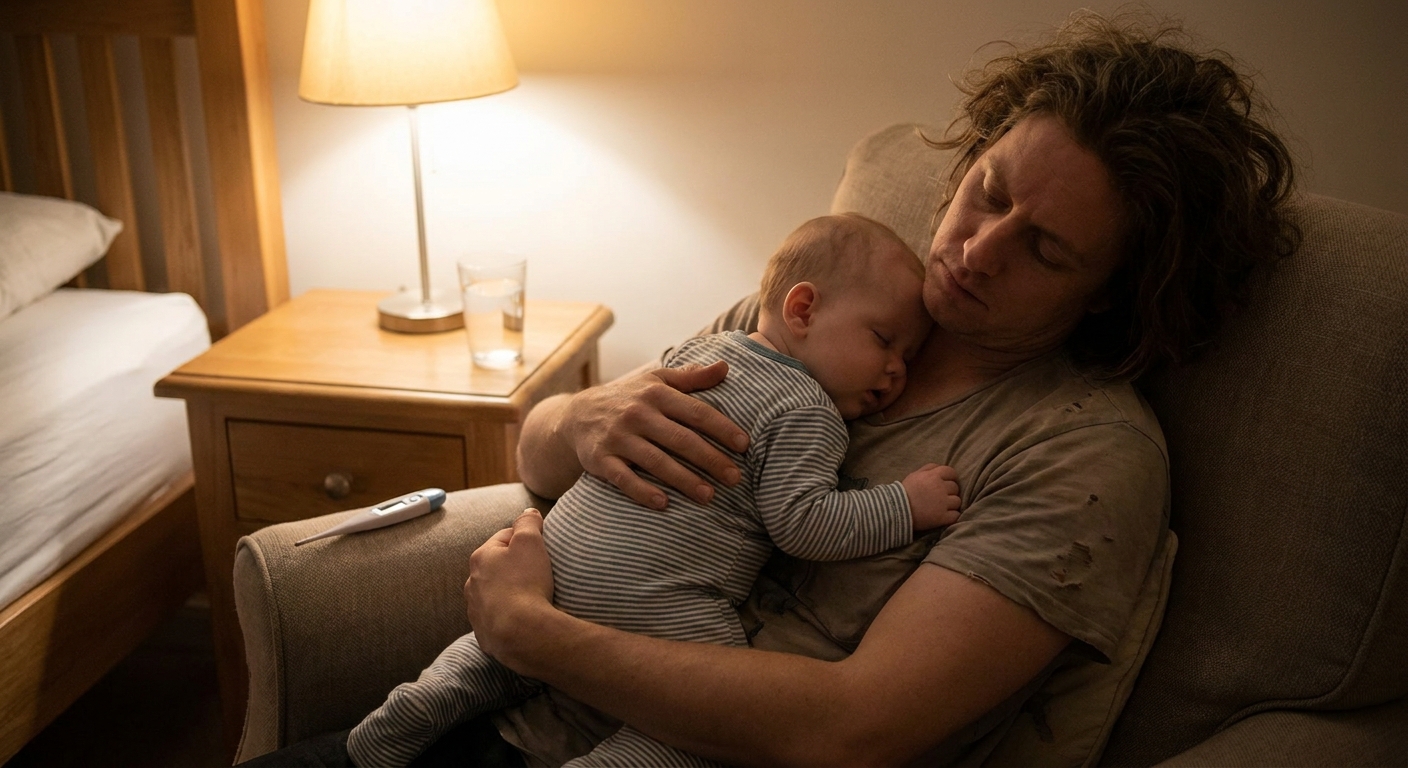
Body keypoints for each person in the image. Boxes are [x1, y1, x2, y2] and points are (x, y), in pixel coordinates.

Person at [239, 11, 1298, 767]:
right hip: (502, 714)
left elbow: (850, 730)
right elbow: (542, 464)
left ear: (1110, 298)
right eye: (988, 193)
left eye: (1045, 250)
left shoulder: (1078, 456)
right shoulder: (834, 304)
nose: (976, 249)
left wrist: (528, 633)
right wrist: (579, 416)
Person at [346, 214, 964, 768]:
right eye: (884, 341)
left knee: (493, 660)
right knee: (713, 721)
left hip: (558, 562)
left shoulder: (700, 352)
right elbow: (805, 524)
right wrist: (903, 505)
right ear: (802, 310)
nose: (896, 372)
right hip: (657, 597)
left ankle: (410, 714)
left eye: (909, 357)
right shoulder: (808, 411)